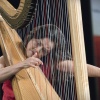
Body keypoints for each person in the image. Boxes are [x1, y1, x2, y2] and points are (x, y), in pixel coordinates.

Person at [0, 24, 100, 100]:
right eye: (38, 43)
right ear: (31, 37)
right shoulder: (7, 58)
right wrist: (22, 64)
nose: (38, 50)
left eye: (44, 50)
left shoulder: (49, 64)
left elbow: (81, 68)